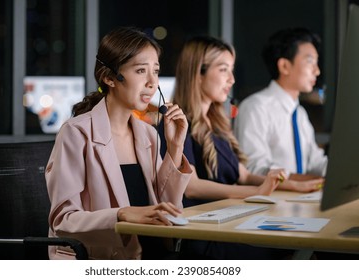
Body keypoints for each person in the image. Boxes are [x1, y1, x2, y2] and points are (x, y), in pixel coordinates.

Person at [45, 26, 192, 260]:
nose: (152, 82)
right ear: (110, 77)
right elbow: (64, 221)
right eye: (141, 71)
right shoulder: (76, 133)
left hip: (149, 252)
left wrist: (174, 148)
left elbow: (166, 209)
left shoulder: (148, 134)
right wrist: (122, 214)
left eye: (156, 71)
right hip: (103, 258)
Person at [158, 35, 298, 259]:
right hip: (206, 236)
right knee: (286, 248)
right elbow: (192, 187)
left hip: (230, 222)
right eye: (224, 70)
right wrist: (255, 193)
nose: (232, 80)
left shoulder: (217, 124)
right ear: (198, 73)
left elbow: (242, 175)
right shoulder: (178, 123)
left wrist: (292, 185)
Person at [234, 28, 328, 183]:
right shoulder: (255, 108)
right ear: (284, 66)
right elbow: (254, 168)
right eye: (310, 61)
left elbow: (315, 162)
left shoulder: (300, 113)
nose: (317, 71)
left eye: (317, 62)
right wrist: (305, 181)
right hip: (271, 202)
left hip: (300, 200)